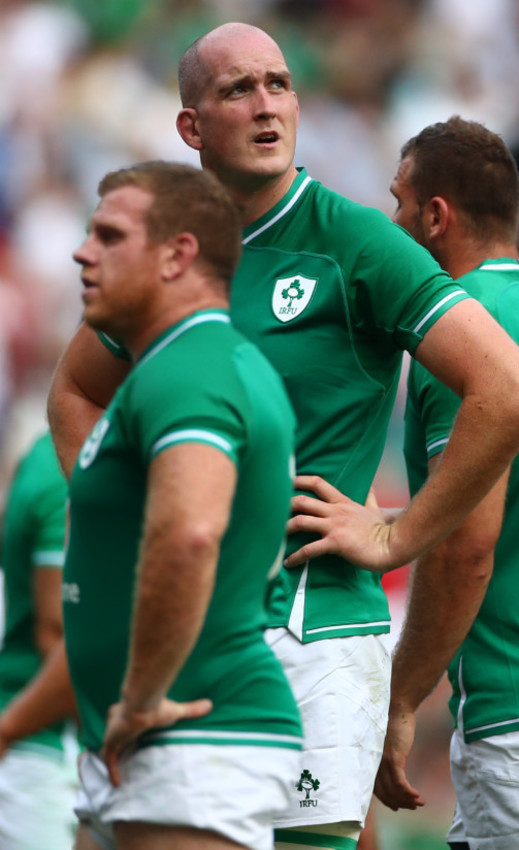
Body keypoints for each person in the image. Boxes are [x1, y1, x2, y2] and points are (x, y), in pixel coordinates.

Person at [48, 25, 519, 850]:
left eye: (279, 84)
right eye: (239, 89)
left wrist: (397, 532)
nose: (267, 104)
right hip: (194, 625)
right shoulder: (175, 254)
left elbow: (511, 392)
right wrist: (118, 517)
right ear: (191, 126)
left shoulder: (353, 240)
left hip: (312, 632)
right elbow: (73, 390)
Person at [290, 116, 519, 850]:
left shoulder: (468, 334)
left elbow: (468, 547)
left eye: (397, 202)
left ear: (435, 215)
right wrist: (392, 513)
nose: (389, 223)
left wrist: (398, 700)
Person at [62, 160, 303, 850]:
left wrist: (140, 696)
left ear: (178, 254)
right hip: (148, 750)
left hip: (194, 738)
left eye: (109, 236)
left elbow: (191, 533)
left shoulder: (191, 364)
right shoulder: (181, 364)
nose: (83, 252)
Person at [0, 429, 78, 850]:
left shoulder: (45, 449)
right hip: (46, 751)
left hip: (34, 746)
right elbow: (58, 634)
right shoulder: (64, 470)